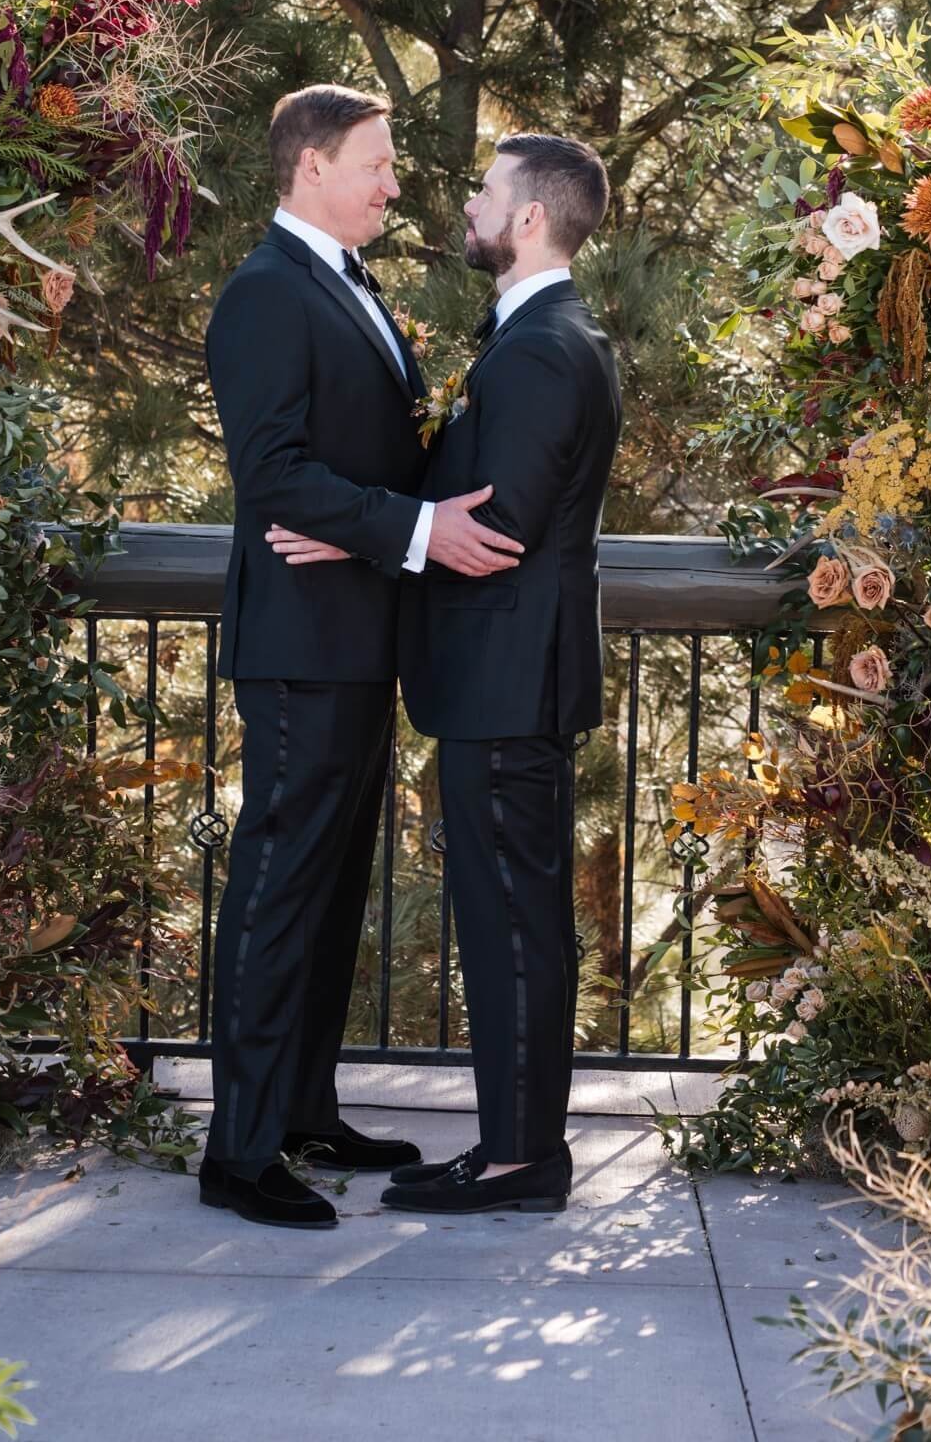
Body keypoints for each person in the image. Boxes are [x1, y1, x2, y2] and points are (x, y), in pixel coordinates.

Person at [270, 132, 621, 1216]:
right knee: (506, 913)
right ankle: (513, 1145)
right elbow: (459, 503)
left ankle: (520, 1158)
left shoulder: (543, 349)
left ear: (525, 219)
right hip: (498, 680)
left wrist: (379, 535)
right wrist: (370, 530)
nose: (464, 203)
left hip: (509, 682)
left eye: (482, 190)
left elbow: (498, 526)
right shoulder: (533, 338)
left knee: (513, 922)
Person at [200, 84, 523, 1231]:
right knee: (279, 889)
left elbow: (355, 459)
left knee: (331, 890)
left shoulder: (345, 285)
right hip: (298, 644)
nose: (395, 184)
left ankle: (301, 1108)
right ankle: (237, 1153)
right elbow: (274, 474)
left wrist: (373, 512)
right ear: (311, 169)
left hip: (353, 633)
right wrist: (413, 530)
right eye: (376, 164)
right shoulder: (262, 296)